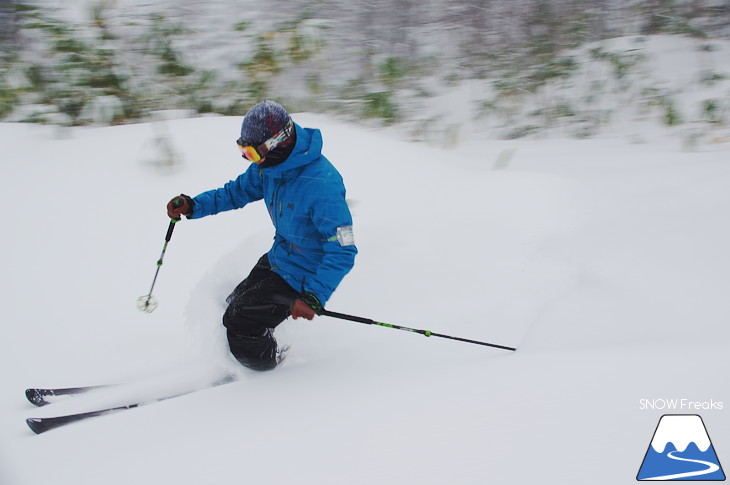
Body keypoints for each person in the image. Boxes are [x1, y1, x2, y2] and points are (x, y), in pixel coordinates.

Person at [167, 100, 357, 371]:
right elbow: (235, 192)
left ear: (278, 143)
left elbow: (344, 247)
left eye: (252, 153)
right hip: (281, 256)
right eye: (242, 151)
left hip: (306, 273)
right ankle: (259, 345)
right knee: (233, 303)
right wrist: (195, 205)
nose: (247, 159)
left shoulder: (322, 185)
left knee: (239, 321)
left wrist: (315, 295)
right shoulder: (269, 168)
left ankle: (268, 368)